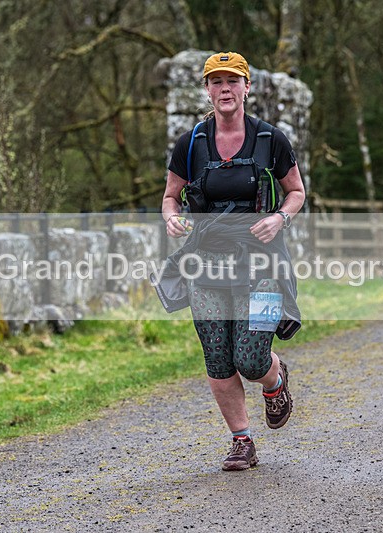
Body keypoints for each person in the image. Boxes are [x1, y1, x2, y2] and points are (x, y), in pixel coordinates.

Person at [160, 51, 306, 471]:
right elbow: (171, 196)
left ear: (246, 88)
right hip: (206, 266)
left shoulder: (270, 140)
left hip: (261, 266)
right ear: (207, 90)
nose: (224, 89)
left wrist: (279, 218)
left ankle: (275, 381)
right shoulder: (190, 144)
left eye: (232, 81)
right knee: (218, 357)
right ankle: (242, 441)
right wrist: (173, 220)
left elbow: (296, 191)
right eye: (216, 81)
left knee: (251, 356)